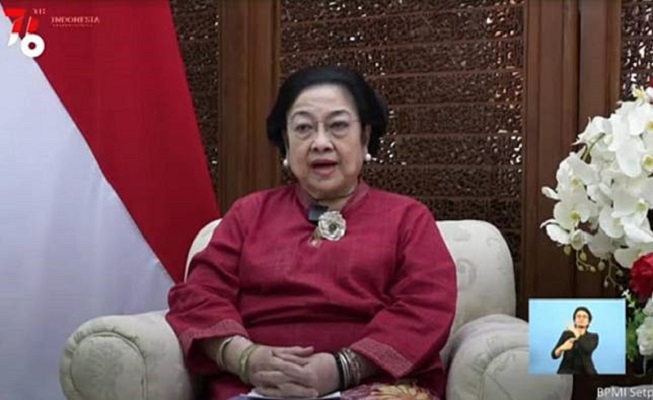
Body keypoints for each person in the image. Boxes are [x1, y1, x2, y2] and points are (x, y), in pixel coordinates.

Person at [165, 66, 457, 400]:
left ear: (365, 137)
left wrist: (341, 368)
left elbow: (426, 307)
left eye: (338, 126)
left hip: (372, 386)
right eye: (303, 128)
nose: (320, 143)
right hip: (255, 389)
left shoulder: (408, 218)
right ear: (286, 143)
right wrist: (247, 359)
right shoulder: (248, 214)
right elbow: (199, 296)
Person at [551, 306, 599, 374]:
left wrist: (574, 330)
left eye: (584, 317)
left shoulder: (593, 336)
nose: (581, 319)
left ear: (588, 322)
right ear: (574, 320)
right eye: (578, 316)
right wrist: (562, 348)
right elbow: (554, 355)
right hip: (566, 371)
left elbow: (587, 348)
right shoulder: (566, 334)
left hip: (586, 371)